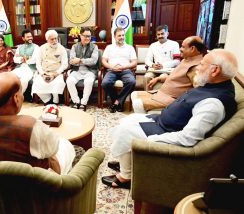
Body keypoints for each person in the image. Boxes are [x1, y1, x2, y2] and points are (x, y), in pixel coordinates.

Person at [102, 49, 238, 189]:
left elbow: (188, 138)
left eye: (202, 64)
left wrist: (150, 141)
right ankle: (129, 162)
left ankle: (126, 176)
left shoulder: (213, 104)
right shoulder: (214, 86)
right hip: (164, 122)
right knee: (125, 121)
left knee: (125, 131)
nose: (198, 68)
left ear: (215, 70)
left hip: (167, 131)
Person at [0, 72, 75, 175]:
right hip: (36, 187)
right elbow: (52, 149)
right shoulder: (31, 127)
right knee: (65, 145)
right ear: (16, 98)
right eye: (21, 92)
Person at [131, 36, 206, 113]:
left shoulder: (195, 67)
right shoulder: (185, 60)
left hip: (171, 99)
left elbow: (199, 91)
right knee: (134, 94)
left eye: (183, 47)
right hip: (161, 94)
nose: (180, 49)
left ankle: (143, 121)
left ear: (192, 49)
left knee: (138, 104)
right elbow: (176, 77)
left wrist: (180, 102)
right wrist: (159, 78)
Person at [101, 27, 137, 113]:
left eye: (123, 35)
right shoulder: (109, 47)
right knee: (105, 83)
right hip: (111, 70)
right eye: (119, 35)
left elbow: (134, 62)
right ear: (114, 36)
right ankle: (117, 102)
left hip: (126, 70)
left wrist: (123, 67)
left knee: (132, 82)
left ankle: (116, 103)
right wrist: (112, 67)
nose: (121, 37)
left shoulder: (130, 48)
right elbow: (103, 61)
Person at [31, 30, 68, 105]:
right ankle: (48, 100)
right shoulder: (41, 48)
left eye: (56, 38)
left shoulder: (61, 49)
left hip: (56, 72)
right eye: (52, 39)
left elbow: (65, 64)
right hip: (44, 72)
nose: (54, 41)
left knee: (57, 83)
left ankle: (55, 101)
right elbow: (38, 63)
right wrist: (42, 73)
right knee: (37, 84)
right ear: (47, 39)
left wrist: (56, 73)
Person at [66, 27, 98, 111]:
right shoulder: (74, 46)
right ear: (80, 36)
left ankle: (83, 103)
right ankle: (76, 102)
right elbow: (71, 61)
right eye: (85, 36)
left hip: (90, 71)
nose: (87, 38)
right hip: (77, 70)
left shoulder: (94, 47)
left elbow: (93, 61)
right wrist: (83, 61)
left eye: (89, 36)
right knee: (69, 81)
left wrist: (80, 60)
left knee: (89, 81)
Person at [12, 29, 39, 94]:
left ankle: (19, 95)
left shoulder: (36, 47)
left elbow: (34, 59)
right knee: (10, 76)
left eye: (31, 36)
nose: (30, 38)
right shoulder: (19, 47)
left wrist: (25, 59)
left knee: (23, 80)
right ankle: (10, 95)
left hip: (30, 69)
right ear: (23, 38)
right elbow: (15, 59)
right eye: (28, 37)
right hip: (20, 67)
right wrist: (22, 59)